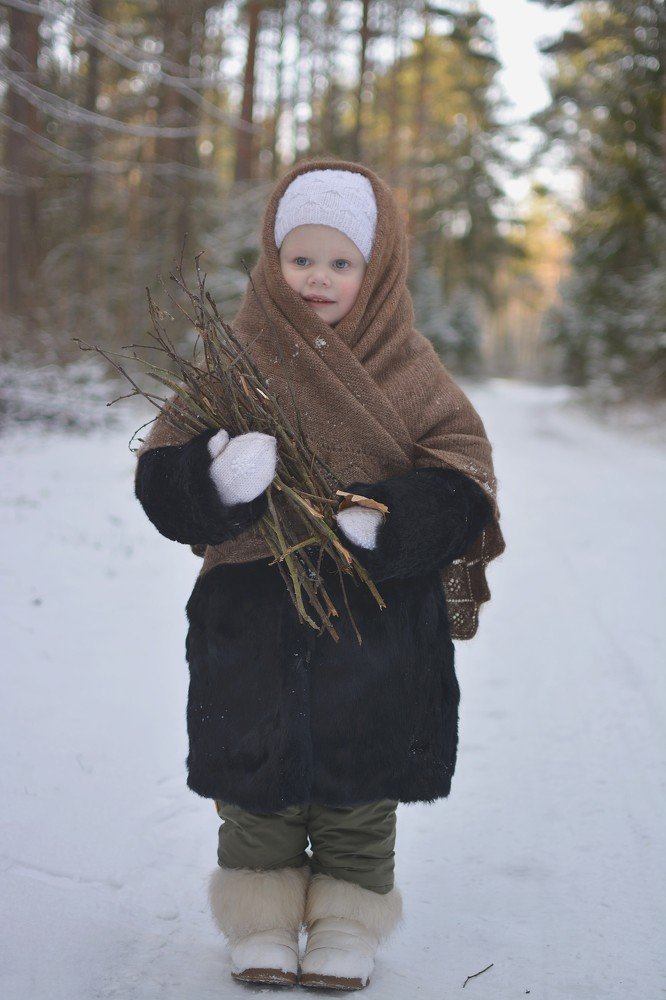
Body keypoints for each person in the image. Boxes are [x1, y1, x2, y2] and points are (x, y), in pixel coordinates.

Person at [134, 160, 504, 991]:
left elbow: (465, 471)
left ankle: (347, 923)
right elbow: (162, 473)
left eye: (341, 263)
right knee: (255, 783)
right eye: (301, 259)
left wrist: (397, 518)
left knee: (359, 790)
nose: (318, 278)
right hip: (251, 612)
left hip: (374, 613)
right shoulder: (232, 359)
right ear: (272, 260)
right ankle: (261, 922)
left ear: (376, 272)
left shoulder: (408, 365)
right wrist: (214, 480)